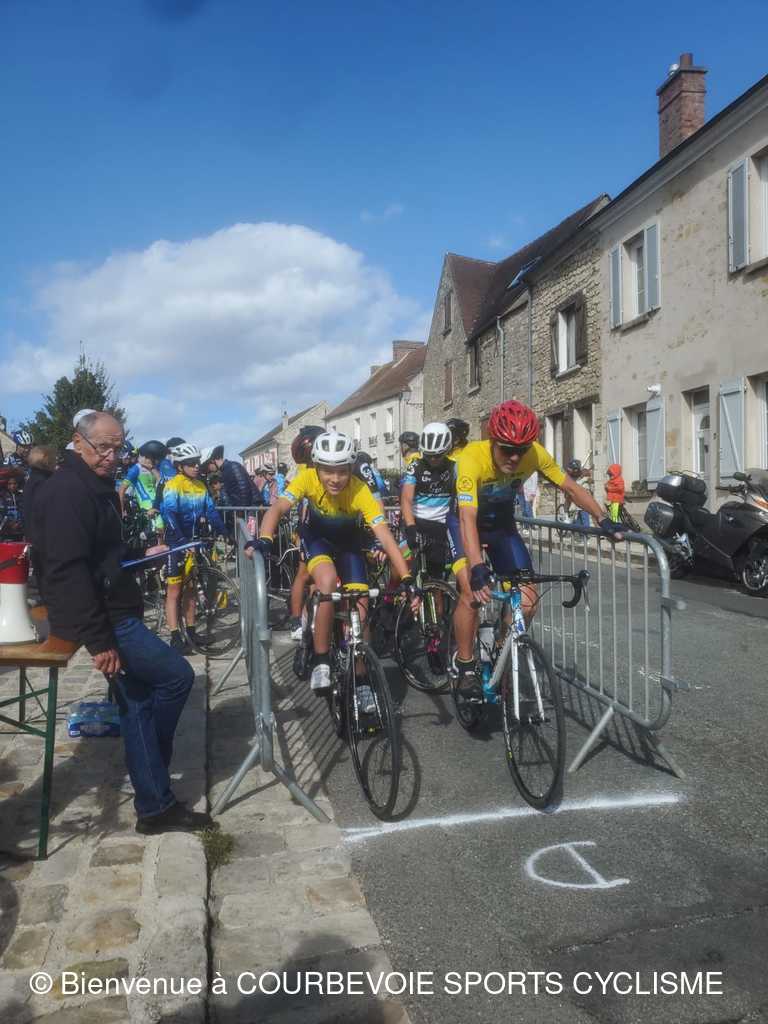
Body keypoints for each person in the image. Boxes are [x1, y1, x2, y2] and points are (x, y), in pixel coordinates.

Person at [30, 412, 213, 834]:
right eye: (103, 448)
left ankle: (154, 804)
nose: (112, 456)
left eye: (118, 448)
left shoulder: (93, 485)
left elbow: (103, 553)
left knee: (139, 701)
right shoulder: (67, 491)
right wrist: (99, 642)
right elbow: (69, 571)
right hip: (104, 617)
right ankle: (152, 774)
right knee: (176, 677)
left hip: (112, 607)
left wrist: (143, 552)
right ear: (78, 442)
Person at [452, 400, 623, 699]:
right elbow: (467, 517)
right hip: (465, 524)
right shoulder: (471, 458)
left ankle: (500, 649)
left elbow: (571, 487)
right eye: (507, 449)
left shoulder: (535, 454)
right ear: (493, 441)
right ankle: (465, 666)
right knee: (471, 592)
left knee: (529, 603)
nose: (515, 457)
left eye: (521, 450)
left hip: (502, 527)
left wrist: (603, 518)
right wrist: (477, 566)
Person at [245, 431, 417, 706]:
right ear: (317, 467)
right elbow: (277, 508)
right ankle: (322, 659)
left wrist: (407, 578)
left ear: (351, 469)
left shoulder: (359, 489)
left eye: (342, 471)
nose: (335, 478)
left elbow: (385, 537)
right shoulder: (307, 478)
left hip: (349, 545)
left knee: (361, 606)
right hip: (317, 540)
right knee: (326, 583)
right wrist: (265, 539)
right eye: (327, 471)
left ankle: (361, 679)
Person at [160, 442, 225, 653]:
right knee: (174, 590)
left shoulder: (200, 485)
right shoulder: (173, 485)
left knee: (190, 590)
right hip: (176, 542)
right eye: (190, 463)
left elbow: (211, 511)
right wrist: (180, 541)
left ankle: (190, 631)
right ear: (180, 466)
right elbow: (169, 515)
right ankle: (174, 637)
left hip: (193, 542)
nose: (196, 466)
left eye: (197, 462)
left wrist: (225, 532)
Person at [401, 421, 465, 585]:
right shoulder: (415, 466)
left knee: (436, 578)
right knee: (403, 565)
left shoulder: (455, 467)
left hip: (440, 526)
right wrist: (410, 527)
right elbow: (406, 499)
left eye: (438, 455)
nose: (433, 459)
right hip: (417, 522)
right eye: (428, 455)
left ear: (446, 450)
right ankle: (392, 594)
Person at [286, 426, 325, 641]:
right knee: (304, 575)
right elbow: (302, 506)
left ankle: (310, 617)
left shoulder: (316, 467)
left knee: (313, 579)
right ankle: (296, 620)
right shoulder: (304, 471)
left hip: (320, 528)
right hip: (308, 529)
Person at [118, 440, 167, 528]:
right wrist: (121, 511)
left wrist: (151, 468)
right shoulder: (136, 468)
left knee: (165, 529)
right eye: (156, 459)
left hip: (158, 501)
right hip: (146, 503)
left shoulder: (153, 468)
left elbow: (161, 482)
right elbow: (121, 490)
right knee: (159, 527)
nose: (157, 462)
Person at [0, 471, 24, 539]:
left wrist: (19, 523)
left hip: (20, 531)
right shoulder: (2, 497)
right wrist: (9, 523)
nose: (12, 486)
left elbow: (25, 512)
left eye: (14, 483)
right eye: (10, 484)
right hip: (5, 532)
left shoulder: (22, 496)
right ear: (6, 485)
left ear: (18, 484)